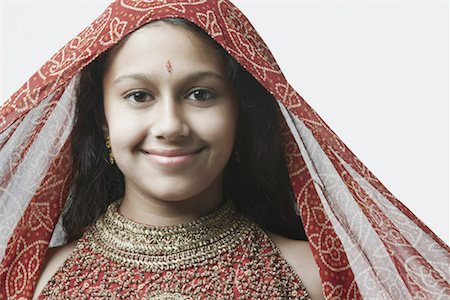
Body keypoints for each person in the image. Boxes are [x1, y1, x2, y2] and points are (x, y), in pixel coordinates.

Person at [0, 1, 448, 299]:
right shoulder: (39, 284)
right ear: (102, 119)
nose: (171, 125)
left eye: (201, 95)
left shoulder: (316, 278)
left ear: (240, 113)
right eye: (139, 96)